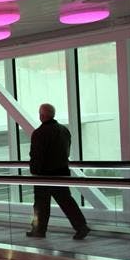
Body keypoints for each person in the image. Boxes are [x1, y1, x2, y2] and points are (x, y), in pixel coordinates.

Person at [27, 103, 90, 240]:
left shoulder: (39, 133)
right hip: (61, 172)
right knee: (67, 202)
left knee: (41, 204)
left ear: (42, 115)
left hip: (44, 175)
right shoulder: (64, 130)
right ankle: (81, 226)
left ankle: (39, 229)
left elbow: (37, 155)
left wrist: (34, 172)